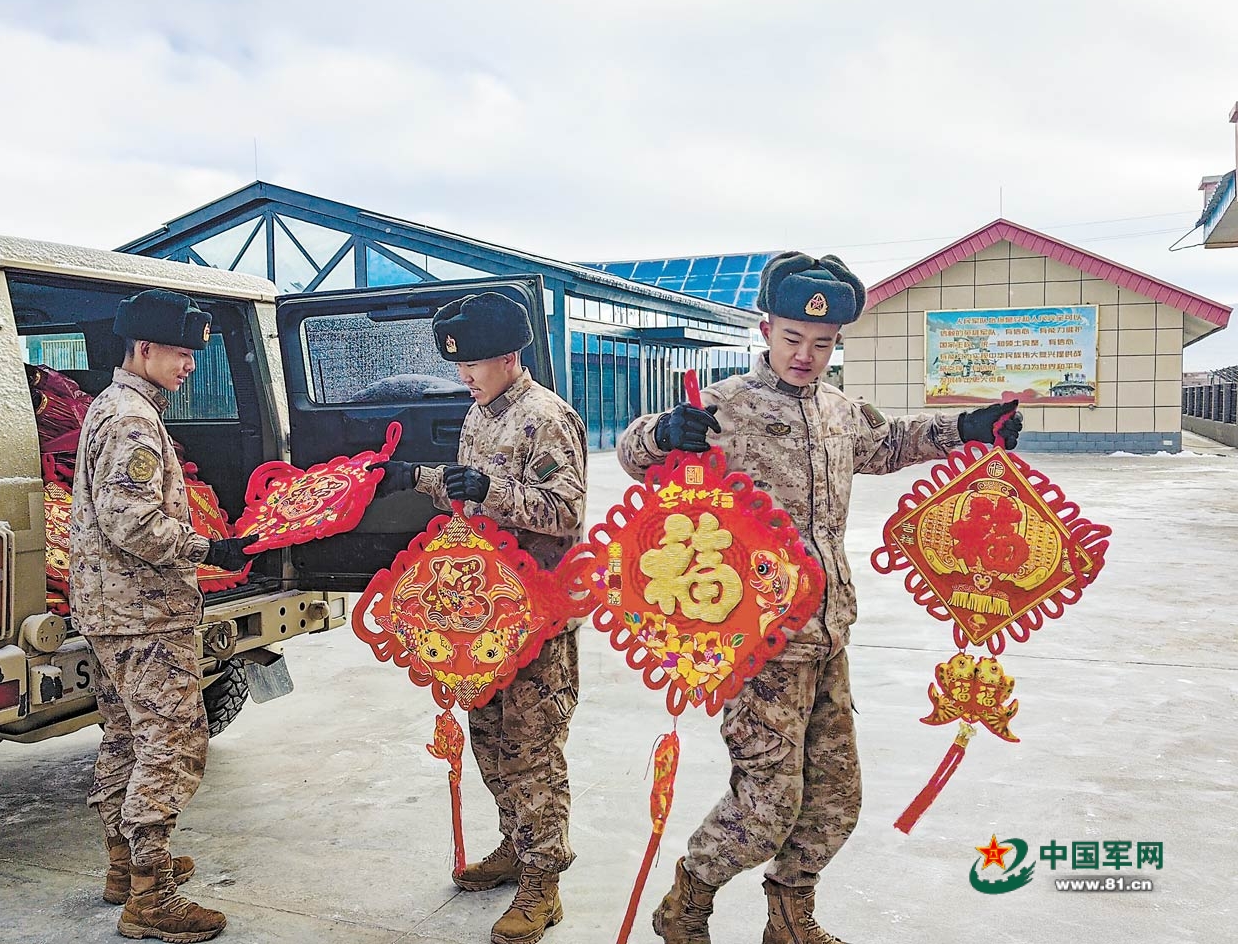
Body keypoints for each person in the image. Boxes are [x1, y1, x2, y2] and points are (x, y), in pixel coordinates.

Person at [615, 253, 1022, 944]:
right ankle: (688, 899)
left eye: (824, 343)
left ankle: (789, 917)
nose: (807, 355)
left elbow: (888, 443)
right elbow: (634, 454)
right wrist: (661, 434)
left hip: (829, 634)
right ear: (765, 328)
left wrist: (966, 429)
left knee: (834, 800)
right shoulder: (726, 404)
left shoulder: (836, 409)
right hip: (758, 640)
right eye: (794, 340)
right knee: (769, 802)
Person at [372, 292, 588, 944]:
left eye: (474, 365)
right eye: (457, 365)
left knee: (531, 752)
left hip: (538, 612)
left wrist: (489, 491)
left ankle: (544, 882)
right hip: (484, 612)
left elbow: (565, 513)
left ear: (510, 355)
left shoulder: (545, 418)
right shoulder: (480, 412)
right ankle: (516, 846)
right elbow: (470, 489)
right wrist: (418, 477)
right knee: (489, 743)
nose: (463, 375)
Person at [70, 288, 257, 943]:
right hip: (145, 615)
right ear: (142, 349)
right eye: (179, 354)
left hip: (109, 610)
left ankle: (126, 866)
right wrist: (211, 548)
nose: (189, 366)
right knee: (170, 746)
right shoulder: (131, 419)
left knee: (124, 738)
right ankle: (152, 898)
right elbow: (130, 521)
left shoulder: (111, 405)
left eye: (192, 356)